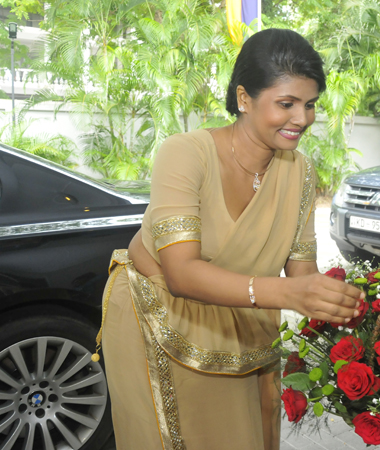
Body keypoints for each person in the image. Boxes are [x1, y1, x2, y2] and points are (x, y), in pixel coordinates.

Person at [97, 29, 364, 450]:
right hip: (158, 316)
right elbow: (182, 274)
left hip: (246, 325)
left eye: (310, 105)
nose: (302, 119)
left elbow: (301, 272)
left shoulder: (300, 171)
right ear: (244, 99)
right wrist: (290, 292)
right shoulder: (185, 153)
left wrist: (338, 302)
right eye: (286, 104)